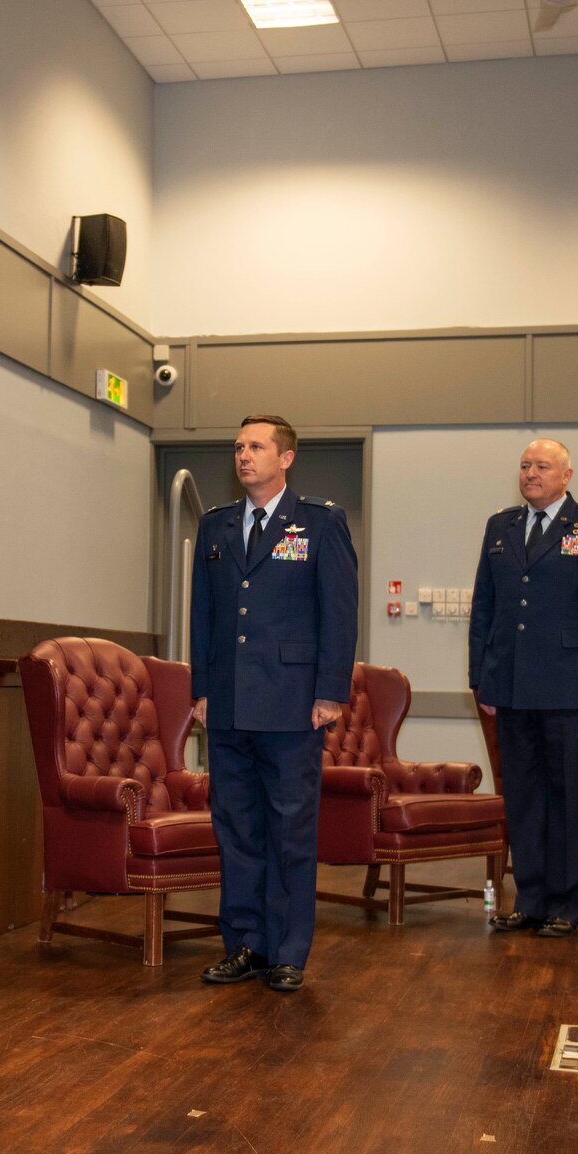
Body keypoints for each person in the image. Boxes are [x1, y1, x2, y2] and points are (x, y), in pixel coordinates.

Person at [190, 415, 358, 992]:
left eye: (256, 447)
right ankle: (244, 944)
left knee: (289, 829)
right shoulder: (215, 526)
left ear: (285, 458)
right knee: (236, 828)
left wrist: (331, 692)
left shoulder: (318, 522)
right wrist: (203, 690)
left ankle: (288, 950)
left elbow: (339, 611)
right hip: (231, 704)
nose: (244, 456)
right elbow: (204, 618)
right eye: (238, 447)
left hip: (292, 704)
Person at [470, 439, 578, 938]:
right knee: (521, 796)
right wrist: (482, 678)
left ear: (567, 475)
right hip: (512, 687)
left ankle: (564, 902)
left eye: (542, 466)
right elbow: (485, 609)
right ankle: (531, 898)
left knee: (564, 797)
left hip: (569, 689)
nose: (531, 473)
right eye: (524, 465)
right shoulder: (502, 526)